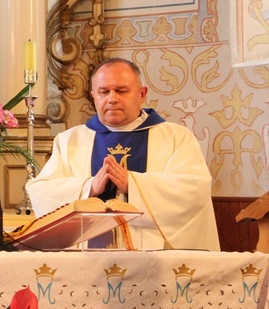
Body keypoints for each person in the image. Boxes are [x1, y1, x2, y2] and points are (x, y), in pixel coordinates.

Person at [26, 58, 220, 251]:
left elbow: (194, 189)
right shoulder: (70, 141)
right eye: (103, 92)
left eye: (121, 90)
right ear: (94, 95)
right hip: (86, 261)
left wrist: (133, 184)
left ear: (142, 94)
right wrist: (89, 187)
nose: (112, 98)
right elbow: (42, 192)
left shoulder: (176, 137)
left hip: (155, 261)